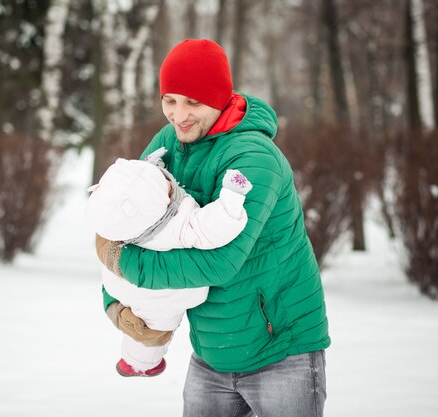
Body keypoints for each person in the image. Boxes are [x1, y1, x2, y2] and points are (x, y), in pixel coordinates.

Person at [95, 39, 330, 417]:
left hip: (283, 353)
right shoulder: (168, 143)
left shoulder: (254, 159)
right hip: (211, 350)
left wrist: (122, 263)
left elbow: (220, 263)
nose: (178, 115)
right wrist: (118, 303)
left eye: (192, 102)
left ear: (220, 98)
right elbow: (131, 222)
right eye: (169, 100)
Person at [85, 148, 253, 377]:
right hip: (160, 300)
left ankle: (135, 360)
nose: (170, 184)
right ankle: (140, 364)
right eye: (165, 186)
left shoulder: (125, 225)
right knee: (149, 335)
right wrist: (231, 199)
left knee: (136, 328)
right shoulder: (176, 226)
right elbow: (212, 228)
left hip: (121, 285)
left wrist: (150, 168)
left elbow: (135, 187)